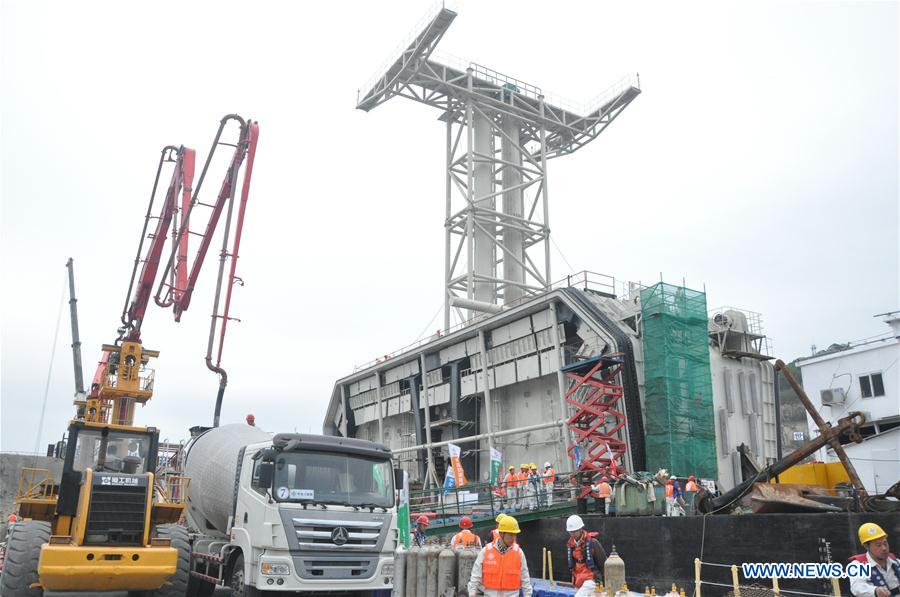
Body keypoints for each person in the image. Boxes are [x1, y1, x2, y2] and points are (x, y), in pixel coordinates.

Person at [468, 515, 532, 597]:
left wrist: (528, 595)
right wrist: (472, 592)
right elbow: (476, 574)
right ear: (501, 534)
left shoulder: (519, 553)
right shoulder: (486, 551)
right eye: (510, 535)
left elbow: (525, 577)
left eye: (515, 535)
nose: (513, 538)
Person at [850, 523, 899, 597]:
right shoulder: (858, 565)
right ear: (866, 546)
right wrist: (875, 591)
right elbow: (857, 587)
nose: (884, 548)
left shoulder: (895, 561)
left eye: (885, 543)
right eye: (878, 545)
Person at [566, 514, 607, 597]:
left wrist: (605, 584)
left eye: (575, 531)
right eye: (571, 532)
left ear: (581, 529)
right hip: (578, 580)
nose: (573, 534)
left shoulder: (593, 543)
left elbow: (603, 563)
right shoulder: (571, 545)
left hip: (591, 580)